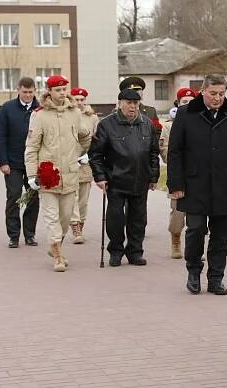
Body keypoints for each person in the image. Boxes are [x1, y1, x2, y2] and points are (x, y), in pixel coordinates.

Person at [167, 75, 227, 296]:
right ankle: (193, 272)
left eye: (221, 93)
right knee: (196, 229)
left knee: (221, 235)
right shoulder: (186, 113)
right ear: (203, 91)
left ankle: (216, 278)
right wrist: (175, 184)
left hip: (224, 184)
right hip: (194, 183)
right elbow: (175, 151)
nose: (217, 98)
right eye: (213, 93)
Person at [24, 75, 92, 272]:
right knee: (51, 217)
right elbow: (31, 147)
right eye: (58, 90)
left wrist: (86, 152)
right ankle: (58, 255)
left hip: (71, 173)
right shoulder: (40, 115)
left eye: (64, 89)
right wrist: (31, 175)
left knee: (65, 217)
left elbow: (84, 136)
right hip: (48, 174)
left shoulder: (74, 113)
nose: (62, 93)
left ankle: (55, 246)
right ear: (50, 92)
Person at [90, 89, 160, 266]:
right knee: (115, 219)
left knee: (138, 219)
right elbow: (96, 154)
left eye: (136, 103)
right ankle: (116, 250)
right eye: (129, 103)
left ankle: (135, 251)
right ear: (120, 103)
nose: (132, 107)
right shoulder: (107, 124)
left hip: (140, 179)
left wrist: (153, 176)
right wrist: (100, 176)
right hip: (115, 180)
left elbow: (153, 153)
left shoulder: (147, 124)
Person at [0, 77, 41, 248]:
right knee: (14, 197)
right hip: (12, 163)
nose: (28, 95)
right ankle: (14, 235)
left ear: (34, 90)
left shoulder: (40, 109)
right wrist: (3, 161)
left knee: (32, 198)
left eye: (31, 92)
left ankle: (30, 234)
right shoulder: (7, 108)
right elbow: (0, 137)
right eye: (25, 92)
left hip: (34, 164)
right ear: (18, 90)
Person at [159, 87, 196, 259]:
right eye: (184, 102)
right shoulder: (168, 127)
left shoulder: (201, 122)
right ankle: (175, 239)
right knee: (178, 213)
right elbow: (165, 151)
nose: (187, 105)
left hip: (198, 175)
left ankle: (195, 246)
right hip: (179, 174)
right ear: (177, 104)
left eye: (190, 102)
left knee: (198, 214)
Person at [69, 87, 99, 244]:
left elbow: (97, 139)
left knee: (83, 198)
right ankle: (75, 227)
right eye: (76, 99)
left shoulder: (92, 118)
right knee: (71, 197)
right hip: (69, 161)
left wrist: (90, 155)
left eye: (82, 100)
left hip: (86, 162)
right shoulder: (67, 115)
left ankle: (81, 223)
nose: (79, 103)